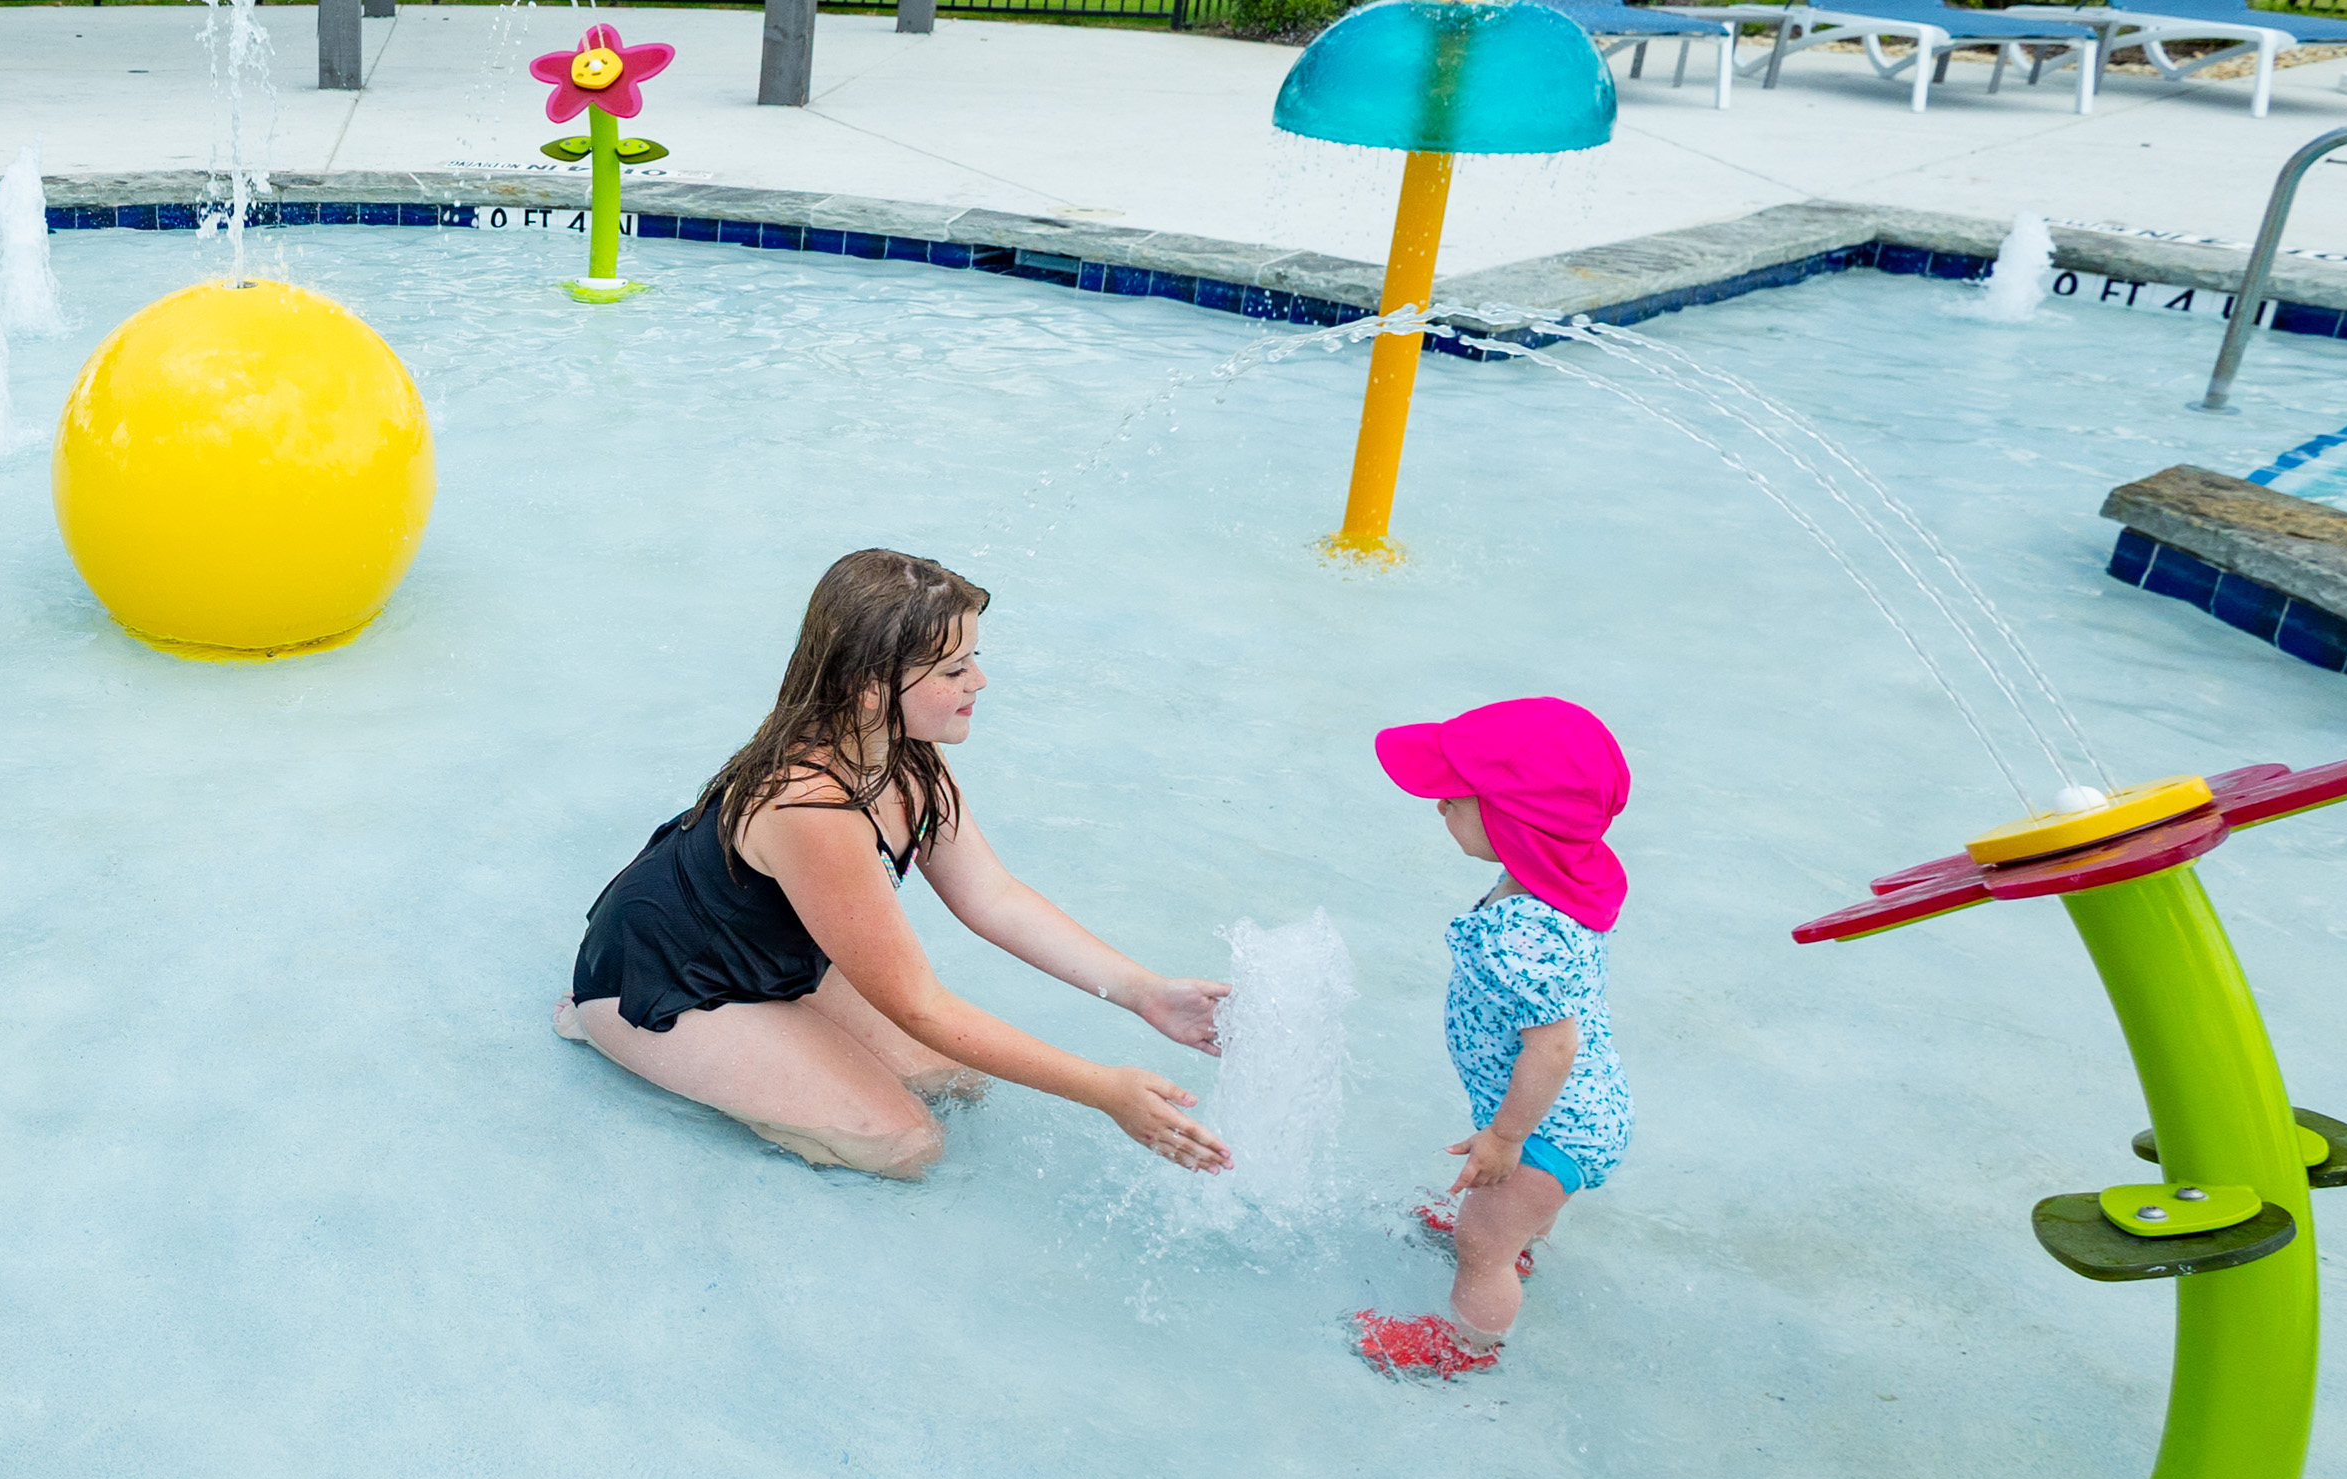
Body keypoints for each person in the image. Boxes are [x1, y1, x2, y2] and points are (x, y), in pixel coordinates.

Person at [555, 549, 1234, 1179]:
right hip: (667, 982)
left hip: (771, 957)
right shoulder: (811, 809)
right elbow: (920, 1006)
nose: (979, 681)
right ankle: (603, 1028)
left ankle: (774, 1034)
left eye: (973, 658)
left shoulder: (906, 758)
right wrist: (1104, 1090)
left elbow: (993, 897)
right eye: (953, 671)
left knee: (958, 1084)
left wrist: (1144, 992)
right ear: (869, 689)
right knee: (906, 1147)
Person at [1354, 698, 1633, 1378]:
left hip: (1550, 1126)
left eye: (1455, 799)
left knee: (1482, 1243)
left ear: (1512, 823)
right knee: (1515, 1216)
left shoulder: (1521, 933)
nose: (1439, 807)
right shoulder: (1561, 882)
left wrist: (1506, 1139)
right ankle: (1525, 1233)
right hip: (1583, 1109)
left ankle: (1468, 1345)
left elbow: (1553, 1048)